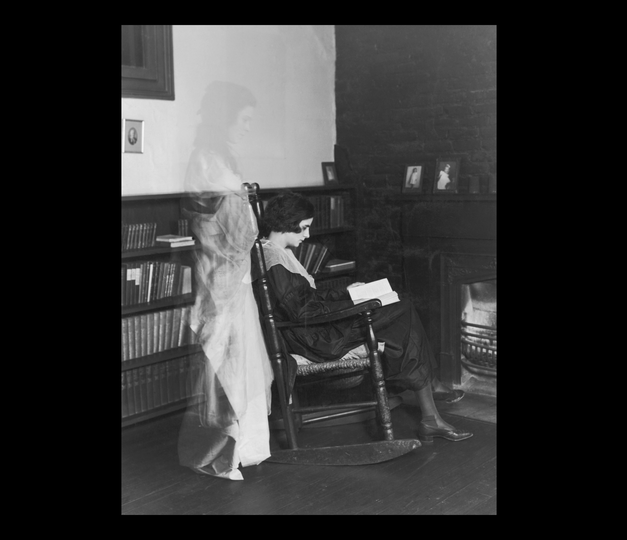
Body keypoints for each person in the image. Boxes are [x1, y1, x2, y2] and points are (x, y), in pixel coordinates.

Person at [256, 191, 473, 443]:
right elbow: (302, 311)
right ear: (286, 224)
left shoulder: (278, 252)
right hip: (311, 338)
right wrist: (353, 304)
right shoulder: (272, 259)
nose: (307, 235)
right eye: (304, 228)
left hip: (312, 329)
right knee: (402, 309)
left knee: (400, 310)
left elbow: (307, 298)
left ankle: (430, 406)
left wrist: (347, 292)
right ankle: (429, 398)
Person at [177, 82, 272, 481]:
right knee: (225, 365)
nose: (248, 127)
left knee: (241, 363)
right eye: (244, 119)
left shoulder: (220, 160)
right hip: (219, 278)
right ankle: (218, 454)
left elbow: (243, 223)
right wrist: (250, 212)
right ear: (225, 117)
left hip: (234, 277)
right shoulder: (208, 162)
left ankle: (243, 449)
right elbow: (238, 230)